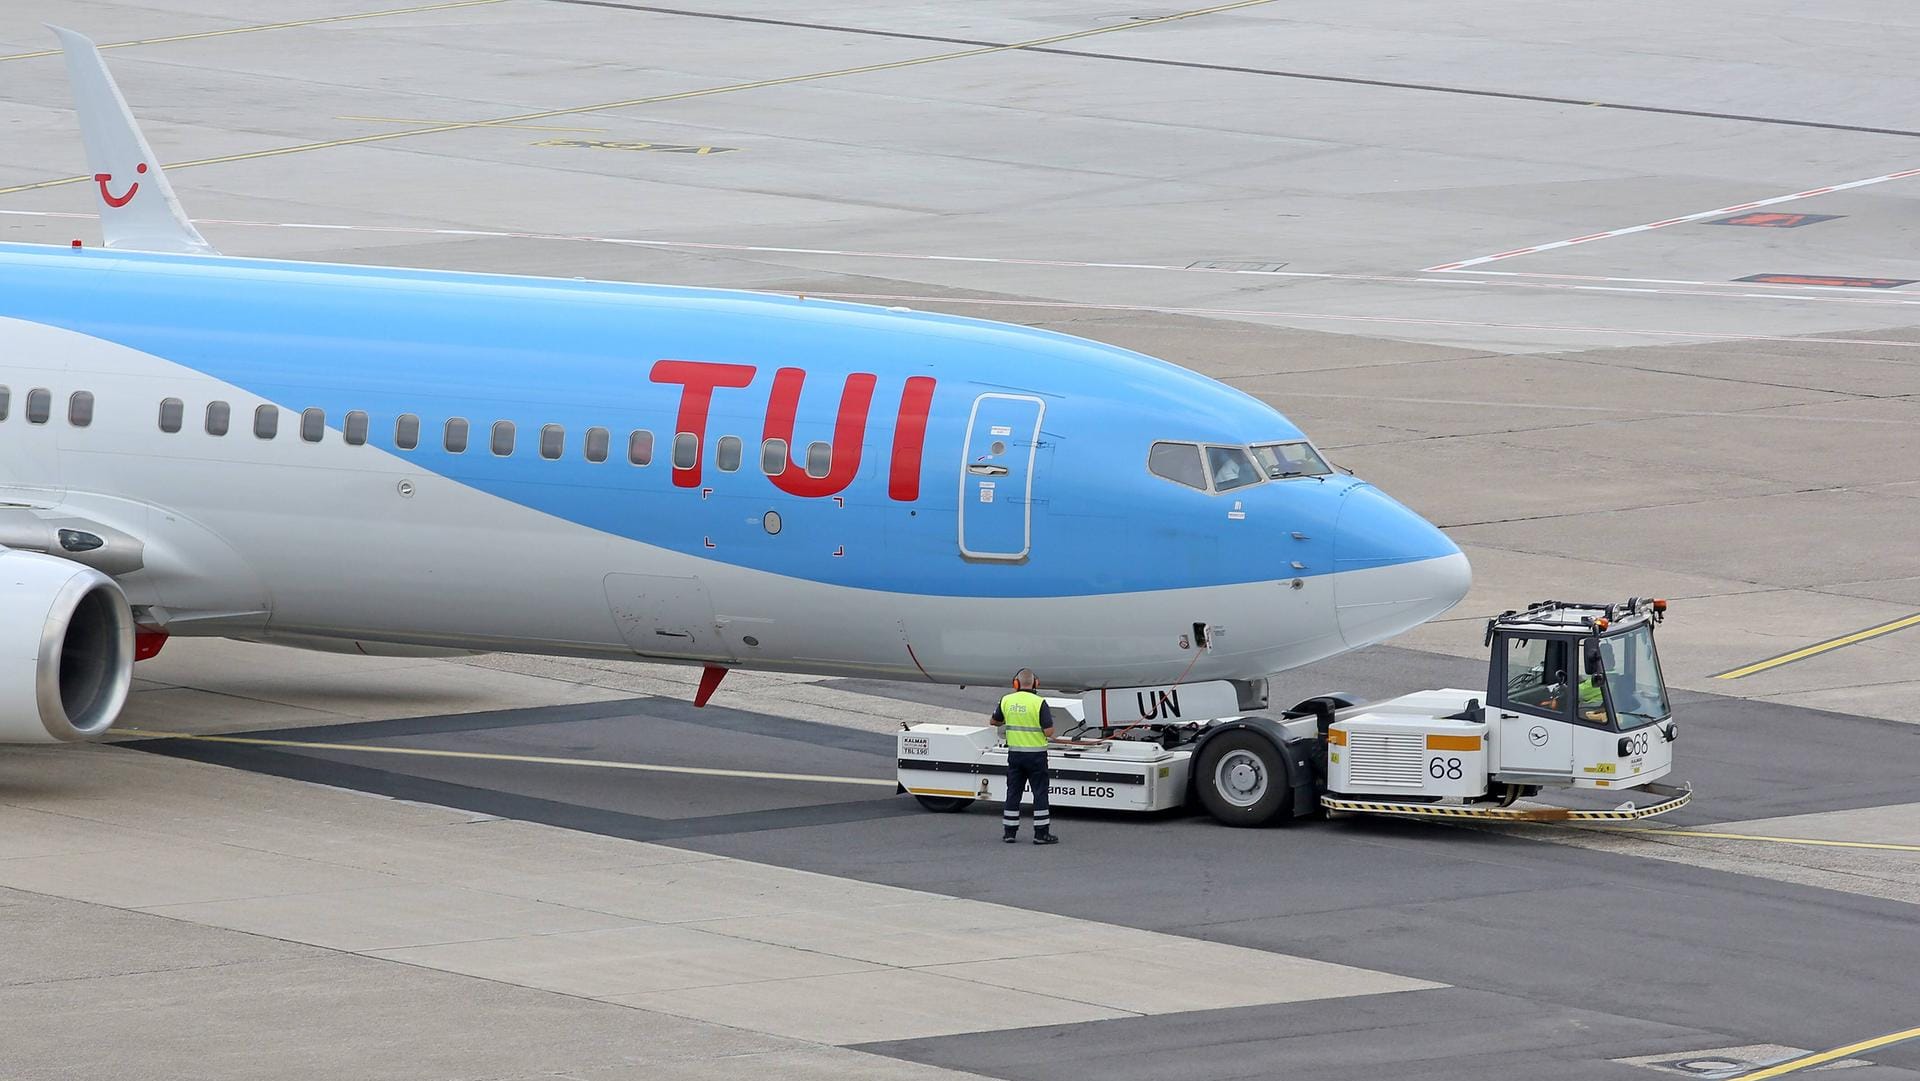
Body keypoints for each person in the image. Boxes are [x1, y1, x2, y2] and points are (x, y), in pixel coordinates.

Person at [991, 668, 1058, 845]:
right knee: (1040, 793)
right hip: (1036, 756)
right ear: (1035, 683)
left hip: (1015, 755)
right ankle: (1041, 834)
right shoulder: (1039, 702)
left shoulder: (1006, 700)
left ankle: (1009, 832)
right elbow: (1049, 731)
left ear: (1016, 684)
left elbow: (994, 721)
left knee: (1013, 792)